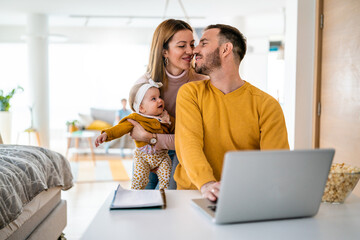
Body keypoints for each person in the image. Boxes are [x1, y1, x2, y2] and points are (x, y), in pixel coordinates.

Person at [174, 24, 290, 201]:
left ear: (225, 49)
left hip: (242, 197)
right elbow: (189, 145)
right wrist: (207, 185)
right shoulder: (190, 93)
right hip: (192, 194)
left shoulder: (267, 105)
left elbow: (275, 164)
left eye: (203, 43)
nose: (194, 50)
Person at [127, 19, 208, 189]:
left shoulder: (202, 83)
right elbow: (136, 130)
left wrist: (152, 137)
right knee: (140, 202)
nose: (190, 51)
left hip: (180, 155)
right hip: (147, 154)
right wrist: (149, 138)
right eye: (182, 46)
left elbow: (193, 138)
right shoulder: (145, 84)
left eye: (192, 44)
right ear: (164, 51)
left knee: (166, 202)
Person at [95, 80, 175, 189]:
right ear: (141, 108)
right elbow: (121, 127)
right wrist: (107, 134)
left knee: (167, 177)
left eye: (159, 97)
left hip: (162, 157)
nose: (160, 100)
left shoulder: (166, 117)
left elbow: (177, 129)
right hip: (143, 157)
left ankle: (162, 197)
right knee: (139, 180)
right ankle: (135, 197)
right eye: (153, 99)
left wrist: (171, 121)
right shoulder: (136, 118)